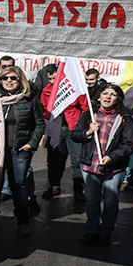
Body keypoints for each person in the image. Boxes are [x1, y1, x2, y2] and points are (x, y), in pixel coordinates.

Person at [0, 66, 45, 237]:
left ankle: (22, 222)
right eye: (5, 78)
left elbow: (40, 124)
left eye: (13, 78)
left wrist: (31, 143)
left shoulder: (29, 99)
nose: (9, 81)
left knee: (19, 187)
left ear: (20, 80)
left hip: (19, 150)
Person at [71, 84, 133, 247]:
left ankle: (106, 232)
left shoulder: (125, 118)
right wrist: (87, 132)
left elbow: (130, 144)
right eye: (105, 93)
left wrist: (111, 157)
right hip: (90, 166)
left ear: (118, 99)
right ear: (98, 97)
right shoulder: (89, 115)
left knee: (110, 201)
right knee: (92, 201)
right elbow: (75, 135)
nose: (108, 97)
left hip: (113, 168)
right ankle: (91, 230)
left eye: (113, 94)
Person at [41, 64, 89, 202]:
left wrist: (82, 126)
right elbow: (44, 110)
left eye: (55, 79)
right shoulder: (46, 91)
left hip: (73, 128)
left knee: (77, 161)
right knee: (54, 160)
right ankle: (54, 186)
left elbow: (85, 108)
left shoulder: (75, 90)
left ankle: (78, 190)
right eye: (50, 79)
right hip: (55, 129)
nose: (52, 82)